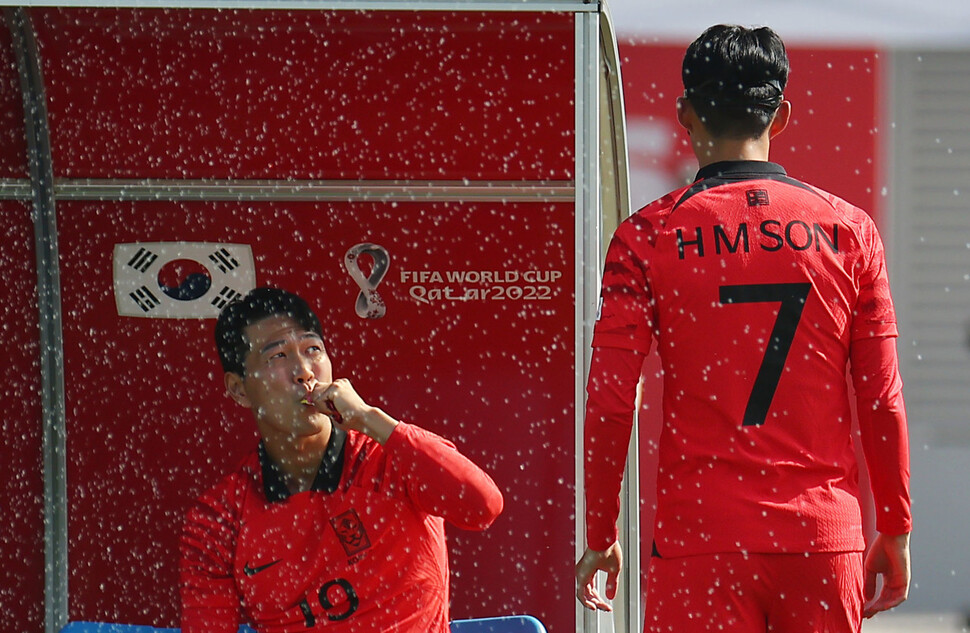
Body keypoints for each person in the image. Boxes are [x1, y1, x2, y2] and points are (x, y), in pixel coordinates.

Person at [575, 25, 912, 632]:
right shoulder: (850, 230)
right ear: (780, 116)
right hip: (821, 537)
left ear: (684, 114)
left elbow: (608, 400)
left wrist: (601, 530)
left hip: (701, 540)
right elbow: (882, 397)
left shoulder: (646, 236)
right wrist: (895, 523)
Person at [180, 287, 504, 632]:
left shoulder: (393, 456)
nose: (304, 371)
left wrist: (368, 417)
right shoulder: (217, 520)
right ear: (239, 389)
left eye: (312, 349)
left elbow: (482, 506)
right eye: (278, 356)